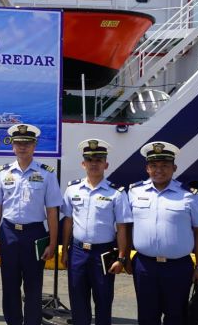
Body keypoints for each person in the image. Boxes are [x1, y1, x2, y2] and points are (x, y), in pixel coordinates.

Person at [129, 141, 198, 325]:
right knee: (147, 317)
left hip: (178, 268)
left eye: (165, 165)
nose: (159, 170)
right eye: (154, 165)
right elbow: (124, 227)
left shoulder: (190, 196)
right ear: (147, 168)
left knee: (176, 317)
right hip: (145, 266)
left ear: (174, 168)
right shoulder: (134, 192)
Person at [0, 124, 62, 325]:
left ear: (34, 146)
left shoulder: (46, 174)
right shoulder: (3, 173)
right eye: (19, 143)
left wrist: (52, 243)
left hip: (35, 234)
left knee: (33, 286)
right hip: (9, 233)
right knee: (10, 284)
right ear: (13, 146)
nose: (22, 147)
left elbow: (52, 211)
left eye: (27, 143)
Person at [60, 139, 133, 325]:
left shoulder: (116, 193)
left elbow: (122, 228)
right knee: (78, 301)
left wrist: (121, 258)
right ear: (83, 164)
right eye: (90, 160)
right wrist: (65, 250)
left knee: (103, 300)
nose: (94, 164)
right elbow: (68, 221)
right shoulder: (72, 189)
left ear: (106, 165)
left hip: (104, 253)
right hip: (77, 252)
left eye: (99, 160)